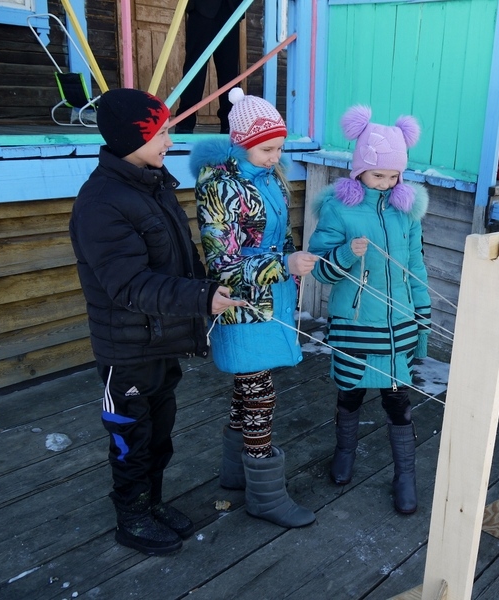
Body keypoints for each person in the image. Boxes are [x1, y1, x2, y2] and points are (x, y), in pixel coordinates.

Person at [69, 88, 242, 555]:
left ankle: (153, 503)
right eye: (161, 132)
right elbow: (129, 285)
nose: (170, 140)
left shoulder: (153, 184)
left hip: (161, 340)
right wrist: (201, 299)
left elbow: (180, 260)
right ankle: (132, 517)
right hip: (125, 349)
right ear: (132, 138)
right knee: (131, 438)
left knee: (159, 432)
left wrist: (206, 286)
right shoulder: (102, 203)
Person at [190, 88, 319, 528]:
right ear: (240, 142)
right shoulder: (219, 185)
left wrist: (292, 264)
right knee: (258, 392)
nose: (275, 156)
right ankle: (266, 495)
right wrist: (284, 264)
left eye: (280, 147)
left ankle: (234, 473)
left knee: (248, 386)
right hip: (241, 302)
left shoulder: (270, 177)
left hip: (273, 297)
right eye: (267, 149)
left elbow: (280, 235)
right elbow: (222, 263)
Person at [307, 105, 431, 515]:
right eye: (379, 175)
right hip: (356, 324)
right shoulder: (338, 209)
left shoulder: (406, 211)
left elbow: (415, 267)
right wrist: (346, 253)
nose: (387, 183)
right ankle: (345, 452)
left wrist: (422, 320)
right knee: (351, 393)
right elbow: (319, 269)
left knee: (398, 402)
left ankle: (405, 474)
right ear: (359, 169)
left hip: (398, 326)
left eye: (394, 176)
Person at [174, 0, 241, 134]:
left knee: (229, 70)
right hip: (202, 8)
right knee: (195, 68)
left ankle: (229, 123)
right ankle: (185, 123)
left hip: (232, 9)